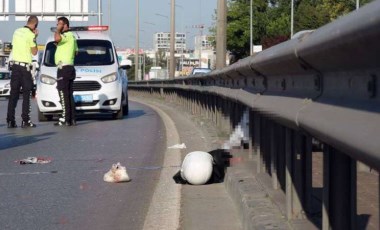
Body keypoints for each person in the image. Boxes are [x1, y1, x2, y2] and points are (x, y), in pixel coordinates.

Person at [6, 16, 39, 128]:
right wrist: (35, 37)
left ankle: (10, 120)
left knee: (13, 94)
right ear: (35, 25)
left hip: (15, 67)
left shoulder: (16, 31)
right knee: (26, 94)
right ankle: (25, 121)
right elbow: (34, 52)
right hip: (25, 68)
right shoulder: (31, 35)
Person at [53, 16, 78, 126]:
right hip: (70, 67)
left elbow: (57, 39)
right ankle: (72, 118)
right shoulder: (72, 37)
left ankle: (65, 118)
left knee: (63, 93)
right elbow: (76, 52)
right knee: (69, 94)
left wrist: (58, 30)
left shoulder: (66, 35)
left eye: (60, 24)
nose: (58, 26)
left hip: (63, 68)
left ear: (65, 25)